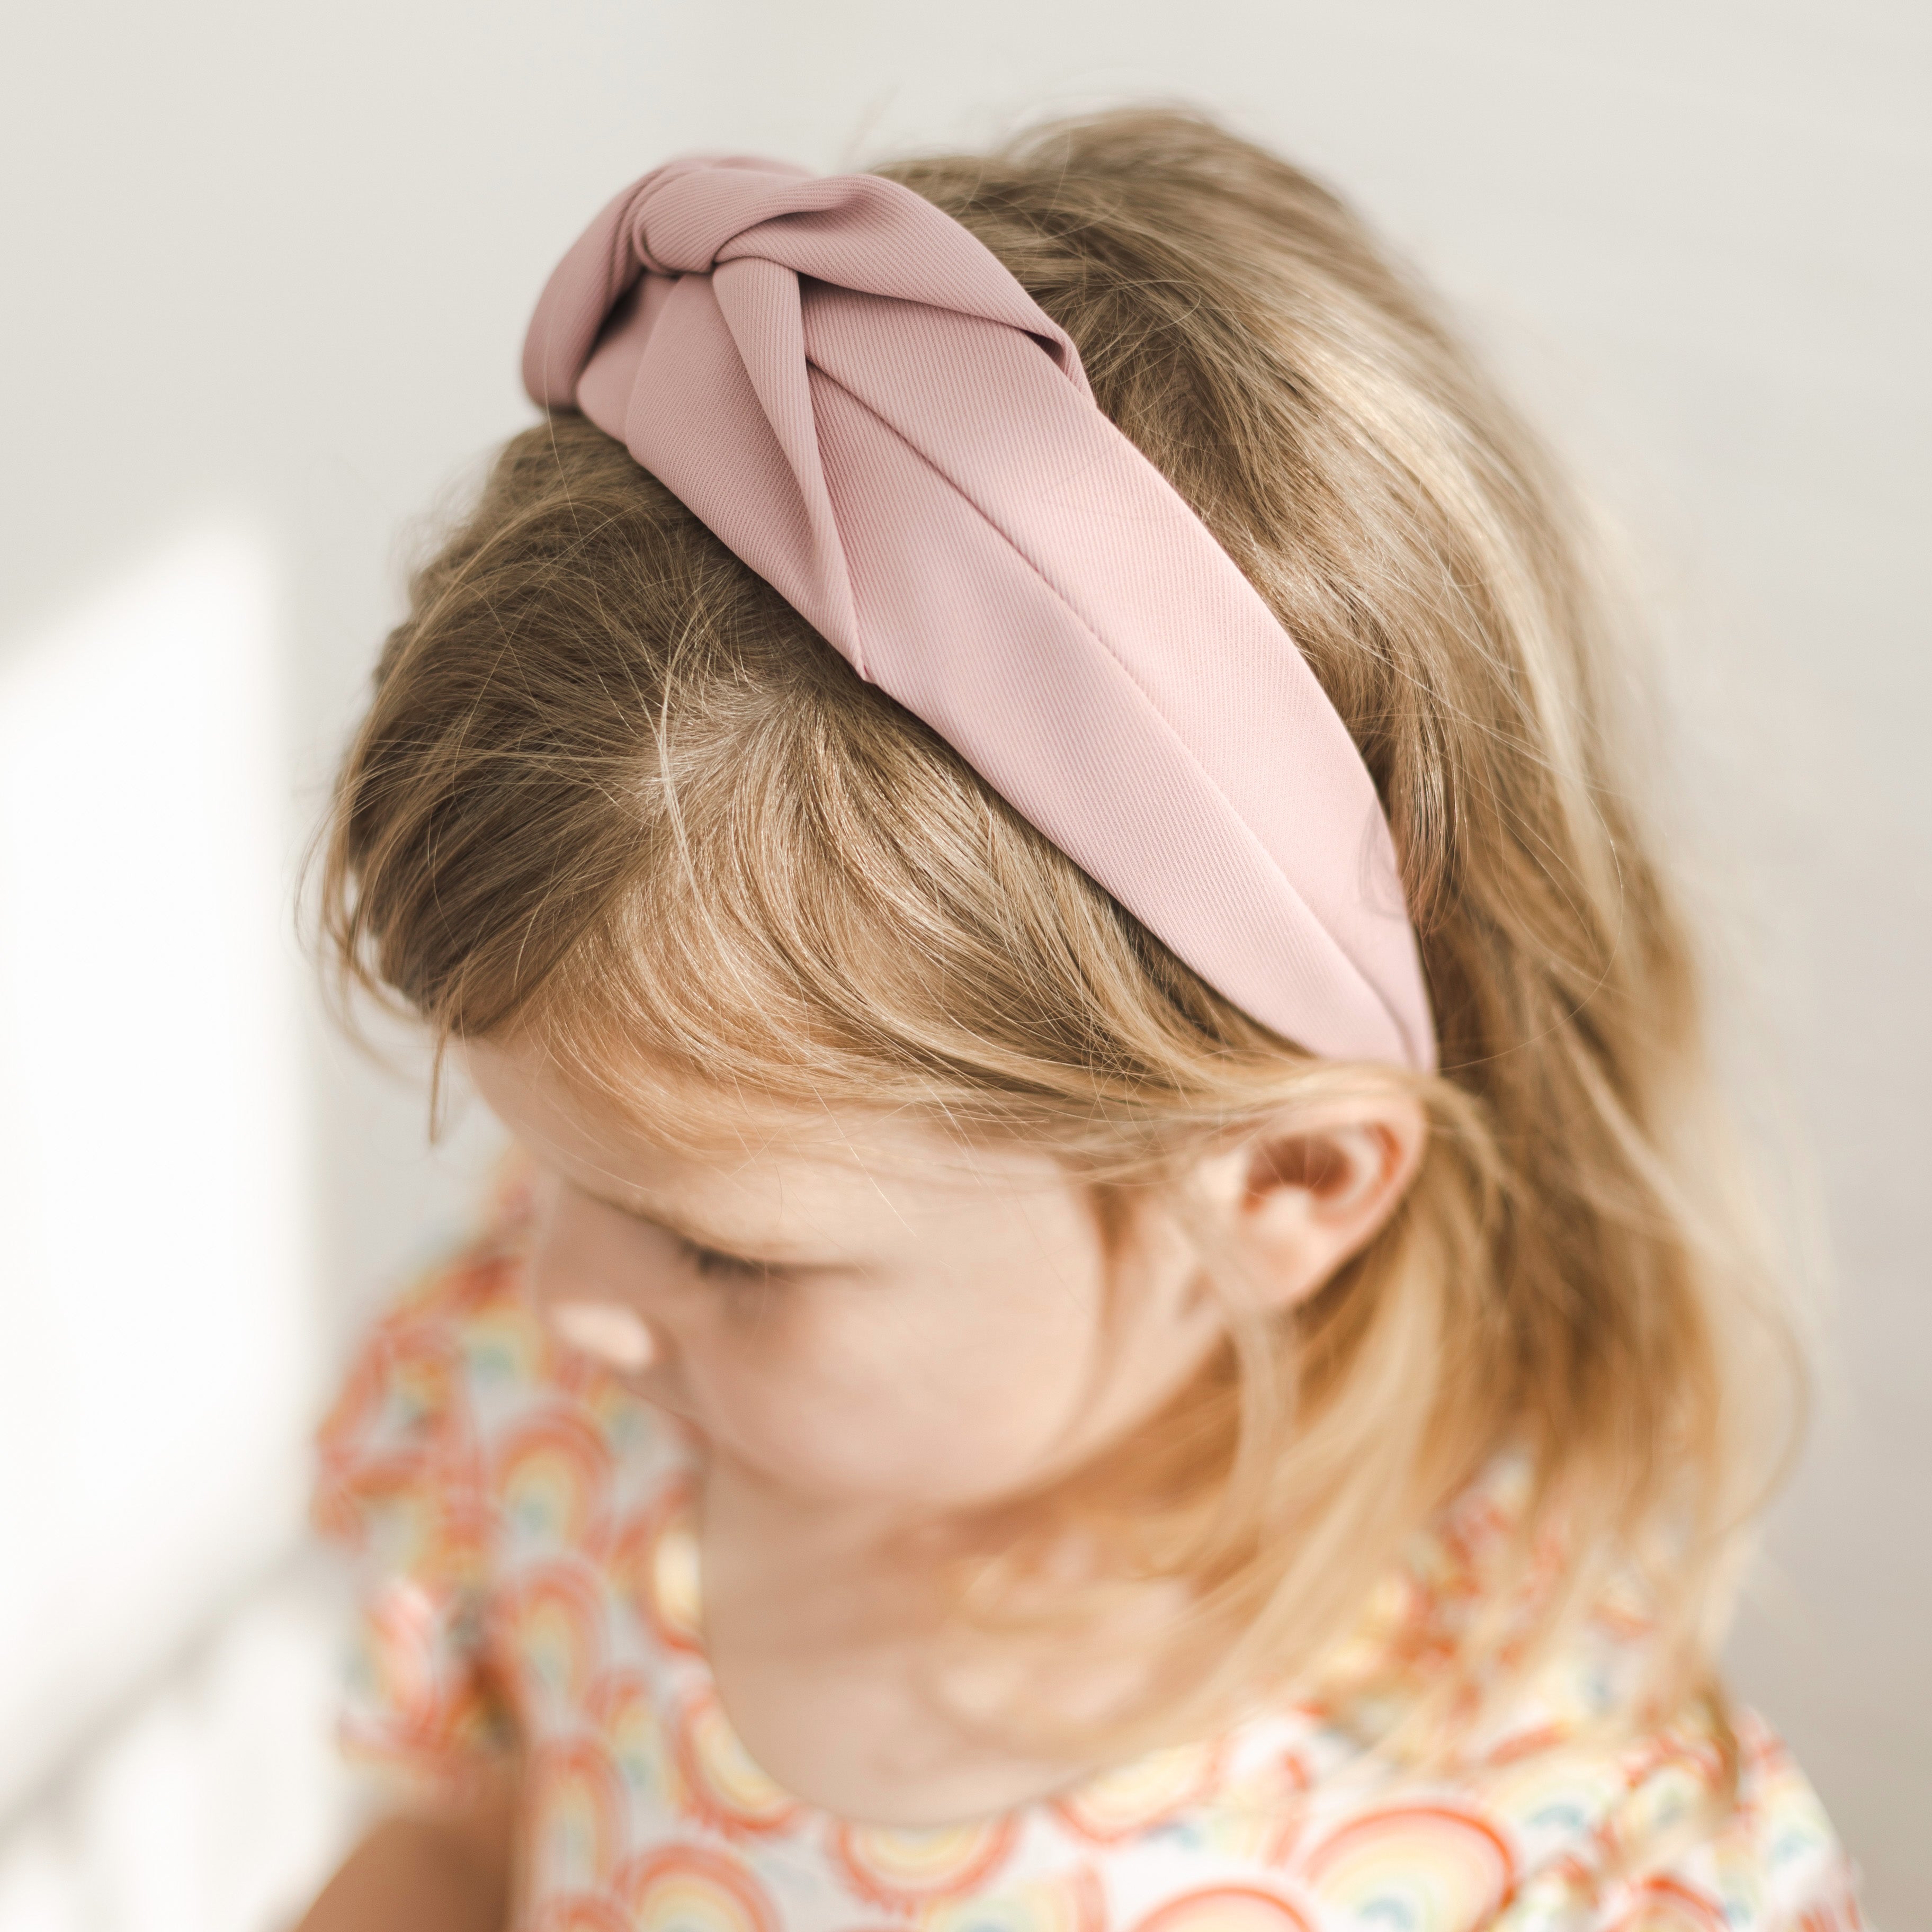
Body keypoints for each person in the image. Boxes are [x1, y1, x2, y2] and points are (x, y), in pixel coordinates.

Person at [294, 109, 1860, 1931]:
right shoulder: (550, 1402)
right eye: (539, 1154)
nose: (561, 1280)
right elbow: (461, 1844)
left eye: (719, 1254)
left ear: (1274, 1183)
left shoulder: (1541, 1816)